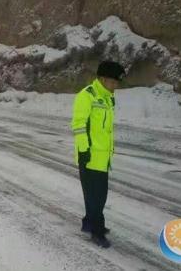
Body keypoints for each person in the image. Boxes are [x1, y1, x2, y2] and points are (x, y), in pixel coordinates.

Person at [71, 61, 126, 248]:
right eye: (112, 82)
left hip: (103, 157)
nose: (115, 86)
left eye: (117, 83)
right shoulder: (87, 96)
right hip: (89, 155)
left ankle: (88, 222)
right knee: (97, 196)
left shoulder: (108, 98)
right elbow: (79, 125)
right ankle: (97, 230)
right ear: (102, 79)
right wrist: (83, 150)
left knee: (95, 195)